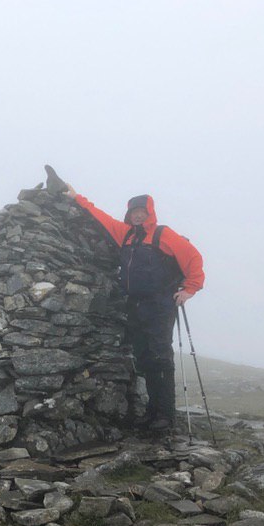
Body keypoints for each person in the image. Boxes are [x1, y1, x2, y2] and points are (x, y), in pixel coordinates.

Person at [46, 167, 205, 432]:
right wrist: (75, 197)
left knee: (160, 358)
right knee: (143, 357)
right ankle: (152, 413)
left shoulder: (164, 235)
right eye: (134, 211)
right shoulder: (126, 234)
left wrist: (191, 288)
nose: (137, 215)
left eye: (142, 211)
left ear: (150, 212)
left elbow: (193, 258)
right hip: (136, 304)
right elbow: (100, 217)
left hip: (160, 305)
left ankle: (165, 416)